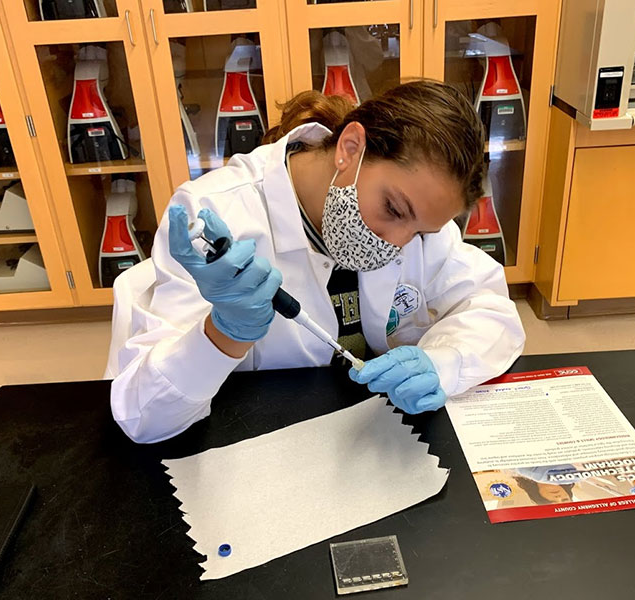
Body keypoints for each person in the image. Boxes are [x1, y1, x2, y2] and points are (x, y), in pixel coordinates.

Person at [107, 80, 526, 443]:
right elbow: (144, 417)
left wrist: (442, 361)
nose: (397, 242)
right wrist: (222, 333)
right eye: (394, 210)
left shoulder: (418, 216)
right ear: (350, 148)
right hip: (254, 453)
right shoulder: (219, 216)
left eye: (419, 233)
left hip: (371, 447)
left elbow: (490, 309)